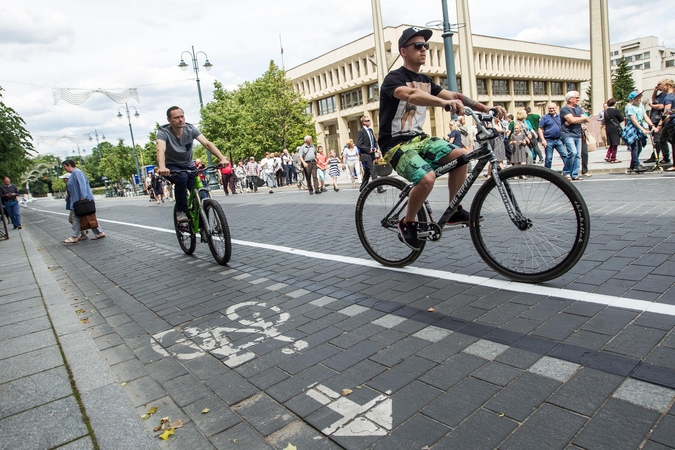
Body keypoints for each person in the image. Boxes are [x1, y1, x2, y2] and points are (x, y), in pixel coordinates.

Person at [378, 27, 505, 250]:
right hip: (394, 144)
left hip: (420, 139)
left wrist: (484, 107)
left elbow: (455, 96)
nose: (423, 49)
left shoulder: (426, 80)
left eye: (425, 45)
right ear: (403, 51)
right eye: (418, 46)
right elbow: (411, 95)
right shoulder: (394, 78)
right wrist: (443, 104)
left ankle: (454, 211)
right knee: (427, 178)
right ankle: (407, 222)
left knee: (462, 156)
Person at [156, 107, 227, 222]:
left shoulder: (190, 129)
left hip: (188, 166)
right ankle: (181, 210)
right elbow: (160, 149)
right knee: (182, 178)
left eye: (182, 116)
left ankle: (204, 227)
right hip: (171, 167)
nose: (180, 120)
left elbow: (207, 144)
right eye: (176, 118)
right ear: (169, 120)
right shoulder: (163, 132)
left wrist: (222, 158)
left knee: (203, 194)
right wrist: (162, 167)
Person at [61, 159, 105, 243]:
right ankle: (99, 232)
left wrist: (83, 197)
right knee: (88, 216)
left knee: (75, 217)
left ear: (69, 165)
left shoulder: (76, 172)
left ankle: (74, 236)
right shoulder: (74, 173)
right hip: (78, 200)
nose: (64, 169)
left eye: (65, 166)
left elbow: (82, 184)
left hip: (80, 200)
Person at [560, 91, 590, 181]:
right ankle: (566, 172)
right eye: (576, 97)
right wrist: (579, 119)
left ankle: (574, 174)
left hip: (578, 134)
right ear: (570, 99)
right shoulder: (564, 109)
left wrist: (577, 120)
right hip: (568, 134)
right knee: (572, 152)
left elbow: (586, 118)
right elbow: (572, 120)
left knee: (577, 155)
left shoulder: (578, 108)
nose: (578, 99)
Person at [624, 90, 655, 172]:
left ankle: (632, 165)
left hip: (639, 126)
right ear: (633, 99)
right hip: (632, 128)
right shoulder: (630, 108)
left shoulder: (641, 106)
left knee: (640, 147)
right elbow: (634, 120)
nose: (640, 99)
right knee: (635, 147)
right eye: (638, 98)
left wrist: (652, 126)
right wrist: (642, 130)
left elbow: (646, 117)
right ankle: (636, 165)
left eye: (640, 97)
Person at [356, 115, 383, 193]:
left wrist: (376, 149)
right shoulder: (361, 132)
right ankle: (379, 187)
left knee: (367, 173)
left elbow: (374, 141)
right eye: (368, 121)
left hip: (371, 155)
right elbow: (359, 144)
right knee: (373, 171)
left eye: (369, 120)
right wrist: (369, 149)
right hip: (365, 155)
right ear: (364, 122)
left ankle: (362, 188)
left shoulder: (370, 130)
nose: (370, 122)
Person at [538, 103, 569, 170]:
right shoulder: (545, 118)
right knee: (549, 158)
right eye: (550, 108)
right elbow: (540, 129)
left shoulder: (560, 117)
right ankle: (547, 172)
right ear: (548, 109)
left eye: (553, 108)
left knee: (565, 156)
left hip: (559, 140)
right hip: (548, 140)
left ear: (556, 108)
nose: (552, 110)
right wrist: (543, 140)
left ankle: (567, 171)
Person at [646, 79, 668, 164]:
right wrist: (655, 91)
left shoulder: (665, 95)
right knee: (660, 139)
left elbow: (661, 106)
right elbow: (654, 98)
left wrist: (652, 105)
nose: (657, 86)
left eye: (659, 84)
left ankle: (659, 156)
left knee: (658, 139)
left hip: (659, 119)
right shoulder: (660, 95)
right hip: (655, 119)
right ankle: (659, 156)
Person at [655, 80, 675, 170]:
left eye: (662, 86)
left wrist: (660, 124)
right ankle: (667, 158)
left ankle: (668, 160)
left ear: (667, 86)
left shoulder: (668, 98)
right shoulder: (672, 96)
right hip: (670, 123)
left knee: (664, 140)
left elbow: (667, 111)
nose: (661, 88)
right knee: (664, 140)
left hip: (671, 123)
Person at [603, 98, 624, 163]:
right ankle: (613, 158)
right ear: (614, 104)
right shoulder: (615, 111)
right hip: (615, 128)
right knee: (615, 143)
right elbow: (621, 118)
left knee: (611, 143)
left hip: (608, 128)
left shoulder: (606, 111)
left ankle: (607, 156)